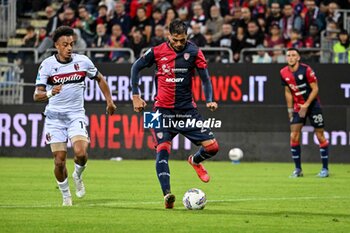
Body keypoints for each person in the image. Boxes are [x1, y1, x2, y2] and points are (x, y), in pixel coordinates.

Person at [131, 19, 219, 209]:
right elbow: (135, 68)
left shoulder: (194, 52)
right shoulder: (156, 51)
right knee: (162, 150)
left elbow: (205, 79)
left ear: (187, 36)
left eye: (183, 40)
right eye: (176, 40)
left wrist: (209, 98)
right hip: (160, 111)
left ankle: (195, 161)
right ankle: (167, 195)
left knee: (213, 148)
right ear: (168, 35)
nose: (179, 44)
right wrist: (135, 96)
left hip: (187, 110)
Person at [33, 26, 117, 206]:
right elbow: (36, 94)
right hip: (54, 118)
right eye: (65, 45)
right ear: (56, 45)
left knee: (81, 153)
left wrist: (109, 101)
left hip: (75, 115)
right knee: (59, 161)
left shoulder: (83, 61)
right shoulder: (47, 65)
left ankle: (77, 175)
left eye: (71, 44)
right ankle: (66, 196)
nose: (69, 48)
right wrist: (49, 93)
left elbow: (100, 78)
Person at [280, 48, 329, 178]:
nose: (290, 57)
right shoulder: (283, 72)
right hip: (297, 108)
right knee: (294, 136)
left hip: (313, 106)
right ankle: (298, 169)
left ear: (298, 58)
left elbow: (315, 89)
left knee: (320, 136)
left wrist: (306, 105)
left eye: (293, 55)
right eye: (288, 55)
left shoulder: (306, 70)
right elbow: (288, 92)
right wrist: (290, 110)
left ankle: (325, 169)